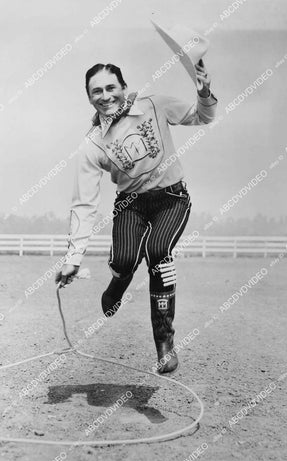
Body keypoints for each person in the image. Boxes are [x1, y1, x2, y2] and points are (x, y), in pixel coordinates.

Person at [56, 58, 217, 374]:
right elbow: (84, 203)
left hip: (172, 199)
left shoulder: (153, 105)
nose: (105, 96)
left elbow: (203, 116)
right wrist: (73, 257)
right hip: (130, 204)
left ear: (123, 87)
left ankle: (164, 345)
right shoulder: (92, 145)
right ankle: (118, 281)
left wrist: (204, 90)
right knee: (125, 260)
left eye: (111, 87)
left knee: (159, 252)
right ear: (89, 98)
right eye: (96, 91)